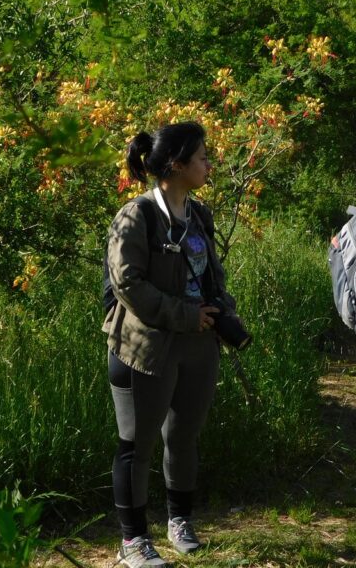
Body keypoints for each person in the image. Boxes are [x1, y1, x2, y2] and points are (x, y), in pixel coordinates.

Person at [104, 121, 240, 568]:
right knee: (136, 446)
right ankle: (133, 542)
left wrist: (223, 310)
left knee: (183, 438)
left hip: (199, 346)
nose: (209, 163)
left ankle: (179, 522)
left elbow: (210, 273)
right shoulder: (136, 215)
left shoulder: (199, 214)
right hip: (145, 349)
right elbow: (128, 283)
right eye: (202, 156)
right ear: (177, 164)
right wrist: (185, 315)